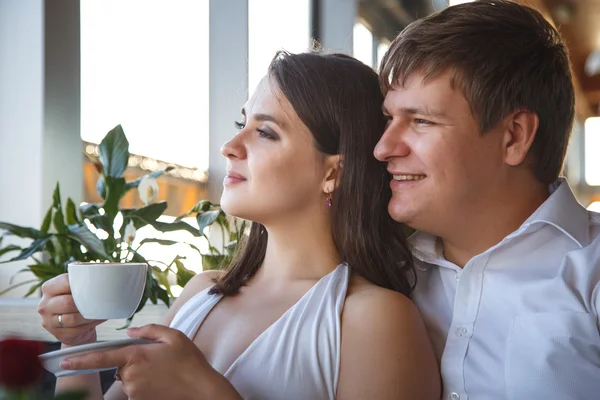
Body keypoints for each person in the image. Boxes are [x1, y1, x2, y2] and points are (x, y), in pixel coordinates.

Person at [38, 51, 440, 400]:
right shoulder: (199, 295)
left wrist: (206, 393)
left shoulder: (374, 319)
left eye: (265, 132)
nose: (230, 147)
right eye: (241, 124)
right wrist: (78, 345)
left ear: (334, 171)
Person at [373, 1, 600, 399]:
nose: (383, 147)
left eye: (421, 121)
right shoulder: (384, 271)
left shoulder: (592, 271)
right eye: (389, 119)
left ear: (513, 136)